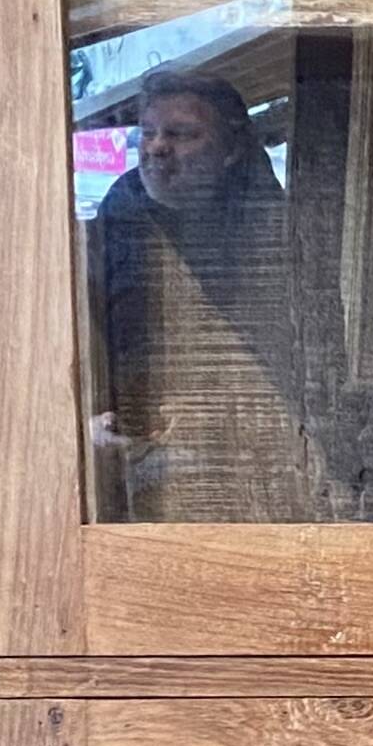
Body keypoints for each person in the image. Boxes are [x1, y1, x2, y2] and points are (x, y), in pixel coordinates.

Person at [83, 71, 318, 521]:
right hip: (138, 470)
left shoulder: (276, 234)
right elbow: (81, 343)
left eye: (182, 134)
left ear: (230, 150)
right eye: (147, 133)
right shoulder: (112, 228)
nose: (156, 147)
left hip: (255, 470)